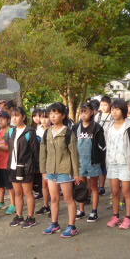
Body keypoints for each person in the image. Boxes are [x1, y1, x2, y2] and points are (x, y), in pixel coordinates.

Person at [40, 102, 82, 238]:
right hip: (51, 171)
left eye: (56, 113)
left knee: (69, 199)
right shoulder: (47, 132)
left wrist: (77, 174)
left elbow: (74, 154)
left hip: (65, 170)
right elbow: (43, 152)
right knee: (53, 199)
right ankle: (54, 224)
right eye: (50, 114)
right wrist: (43, 170)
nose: (52, 116)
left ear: (63, 115)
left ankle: (72, 226)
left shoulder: (68, 133)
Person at [105, 99, 130, 229]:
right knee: (115, 191)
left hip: (126, 164)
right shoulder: (109, 127)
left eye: (117, 109)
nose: (114, 112)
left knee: (126, 191)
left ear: (123, 111)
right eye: (112, 109)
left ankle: (128, 218)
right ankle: (115, 216)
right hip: (112, 163)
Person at [8, 106, 40, 228]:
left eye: (17, 115)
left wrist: (35, 168)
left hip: (26, 167)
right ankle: (19, 216)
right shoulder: (11, 131)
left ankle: (31, 217)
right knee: (17, 193)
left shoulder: (30, 132)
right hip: (13, 167)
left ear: (23, 117)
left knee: (28, 193)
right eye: (13, 116)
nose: (14, 118)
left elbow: (35, 152)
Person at [75, 102, 106, 222]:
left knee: (93, 187)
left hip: (93, 162)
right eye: (82, 112)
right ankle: (81, 210)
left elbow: (102, 146)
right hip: (80, 162)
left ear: (92, 112)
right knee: (81, 187)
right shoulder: (76, 127)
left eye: (86, 112)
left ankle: (94, 211)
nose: (83, 114)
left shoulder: (97, 127)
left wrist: (100, 160)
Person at [0, 111, 15, 214]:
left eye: (2, 119)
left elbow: (11, 147)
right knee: (0, 184)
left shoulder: (11, 131)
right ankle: (0, 202)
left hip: (7, 163)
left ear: (8, 120)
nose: (0, 121)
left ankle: (13, 204)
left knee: (10, 185)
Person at [96, 95, 113, 196]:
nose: (103, 107)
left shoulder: (112, 116)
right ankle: (100, 186)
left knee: (107, 166)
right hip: (99, 144)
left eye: (105, 105)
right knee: (100, 165)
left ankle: (106, 186)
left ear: (110, 105)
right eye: (102, 104)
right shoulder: (97, 116)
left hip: (109, 144)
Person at [36, 109, 52, 215]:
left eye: (46, 117)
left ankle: (54, 206)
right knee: (44, 184)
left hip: (53, 160)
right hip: (42, 160)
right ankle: (46, 206)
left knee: (53, 185)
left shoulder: (54, 130)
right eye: (42, 117)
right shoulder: (38, 130)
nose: (44, 120)